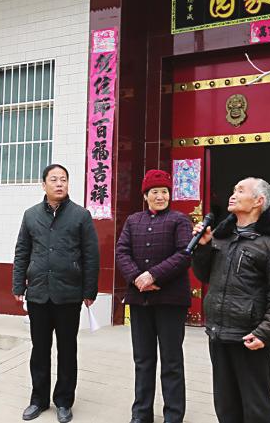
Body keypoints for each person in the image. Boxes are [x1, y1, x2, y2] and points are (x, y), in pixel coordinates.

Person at [192, 177, 270, 423]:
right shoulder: (221, 236)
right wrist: (203, 247)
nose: (233, 195)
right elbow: (204, 275)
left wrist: (265, 333)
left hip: (249, 337)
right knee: (226, 406)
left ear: (259, 201)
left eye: (240, 191)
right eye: (233, 190)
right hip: (219, 332)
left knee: (256, 407)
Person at [12, 164, 100, 423]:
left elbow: (91, 255)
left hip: (68, 294)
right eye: (54, 179)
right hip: (38, 293)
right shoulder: (30, 215)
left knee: (67, 349)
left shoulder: (81, 215)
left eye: (63, 179)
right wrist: (18, 285)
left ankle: (64, 401)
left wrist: (89, 290)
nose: (59, 183)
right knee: (39, 349)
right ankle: (38, 400)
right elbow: (22, 251)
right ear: (44, 185)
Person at [115, 169, 193, 423]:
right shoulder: (133, 221)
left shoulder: (180, 220)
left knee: (171, 361)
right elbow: (121, 251)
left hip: (171, 301)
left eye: (165, 192)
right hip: (140, 299)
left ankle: (173, 415)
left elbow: (184, 254)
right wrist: (137, 277)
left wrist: (153, 275)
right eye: (155, 192)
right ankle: (141, 413)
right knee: (143, 359)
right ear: (145, 195)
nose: (160, 196)